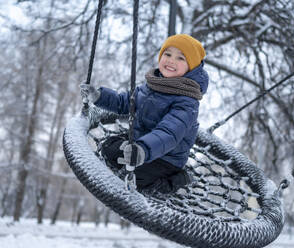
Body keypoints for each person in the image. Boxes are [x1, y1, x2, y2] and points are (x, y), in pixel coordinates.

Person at [80, 34, 209, 193]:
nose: (171, 60)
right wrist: (99, 96)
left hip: (166, 158)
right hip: (140, 144)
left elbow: (168, 133)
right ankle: (133, 154)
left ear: (191, 68)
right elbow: (124, 102)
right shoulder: (151, 85)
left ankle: (179, 179)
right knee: (108, 148)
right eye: (167, 54)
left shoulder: (187, 102)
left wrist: (143, 149)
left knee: (139, 178)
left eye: (180, 58)